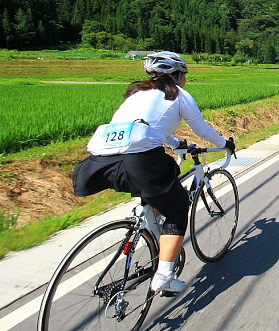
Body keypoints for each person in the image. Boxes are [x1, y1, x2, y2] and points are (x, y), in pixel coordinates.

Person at [72, 51, 235, 294]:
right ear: (177, 75)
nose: (185, 80)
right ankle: (165, 275)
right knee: (178, 207)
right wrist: (225, 144)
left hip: (100, 161)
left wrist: (174, 143)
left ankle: (154, 240)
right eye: (185, 75)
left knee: (156, 197)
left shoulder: (136, 95)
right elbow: (201, 128)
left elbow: (144, 127)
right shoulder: (179, 95)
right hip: (139, 161)